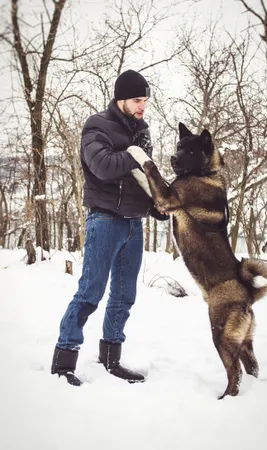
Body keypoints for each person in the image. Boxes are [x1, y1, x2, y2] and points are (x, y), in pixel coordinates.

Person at [51, 69, 168, 386]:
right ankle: (64, 359)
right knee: (91, 292)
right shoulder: (96, 125)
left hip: (134, 223)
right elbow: (102, 167)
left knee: (124, 296)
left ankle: (111, 358)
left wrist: (157, 205)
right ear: (121, 99)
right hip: (104, 222)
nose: (142, 106)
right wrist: (134, 153)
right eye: (137, 100)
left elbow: (143, 179)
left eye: (145, 100)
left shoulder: (141, 131)